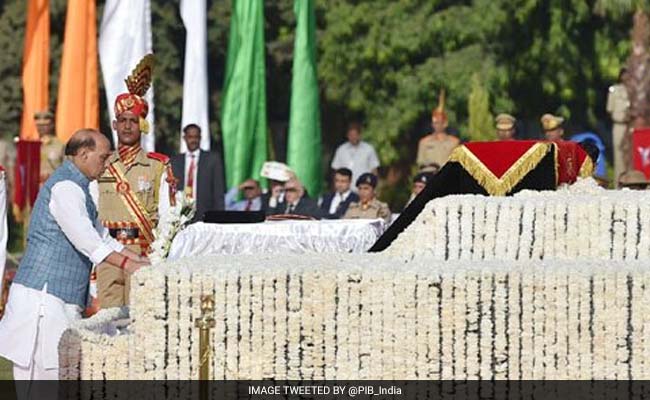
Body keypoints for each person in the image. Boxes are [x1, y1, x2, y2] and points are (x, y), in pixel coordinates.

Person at [0, 129, 149, 381]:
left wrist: (142, 262)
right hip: (43, 298)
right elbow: (88, 242)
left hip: (59, 298)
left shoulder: (83, 187)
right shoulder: (65, 187)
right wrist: (129, 266)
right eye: (103, 157)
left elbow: (103, 239)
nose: (107, 164)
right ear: (83, 154)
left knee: (61, 375)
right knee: (46, 376)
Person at [93, 56, 175, 308]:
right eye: (123, 121)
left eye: (133, 121)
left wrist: (160, 256)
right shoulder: (100, 164)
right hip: (109, 253)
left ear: (142, 126)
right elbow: (93, 210)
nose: (128, 126)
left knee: (140, 318)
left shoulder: (158, 165)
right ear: (114, 125)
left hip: (143, 252)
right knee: (106, 319)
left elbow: (168, 215)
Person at [171, 124, 225, 220]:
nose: (193, 140)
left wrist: (219, 217)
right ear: (184, 138)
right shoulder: (175, 161)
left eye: (196, 137)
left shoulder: (212, 160)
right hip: (180, 214)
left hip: (205, 213)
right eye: (190, 137)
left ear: (200, 138)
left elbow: (218, 191)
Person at [417, 90, 460, 169]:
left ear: (445, 123)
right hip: (430, 178)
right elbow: (421, 164)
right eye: (434, 123)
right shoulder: (424, 142)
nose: (436, 125)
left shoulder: (454, 142)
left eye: (438, 122)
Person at [330, 122, 380, 189]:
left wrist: (375, 188)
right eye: (351, 135)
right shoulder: (341, 150)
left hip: (364, 190)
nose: (353, 137)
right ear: (347, 135)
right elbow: (336, 170)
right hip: (345, 190)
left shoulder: (369, 149)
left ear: (359, 135)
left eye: (355, 135)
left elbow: (374, 171)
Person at [607, 68, 631, 180]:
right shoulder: (614, 90)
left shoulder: (635, 90)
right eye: (624, 75)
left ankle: (633, 181)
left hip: (632, 126)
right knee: (619, 154)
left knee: (633, 154)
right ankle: (619, 181)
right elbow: (610, 109)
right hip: (619, 125)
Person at [34, 110, 65, 186]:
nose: (41, 128)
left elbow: (66, 169)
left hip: (54, 186)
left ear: (52, 125)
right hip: (35, 188)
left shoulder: (60, 145)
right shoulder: (32, 146)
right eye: (39, 125)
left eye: (45, 125)